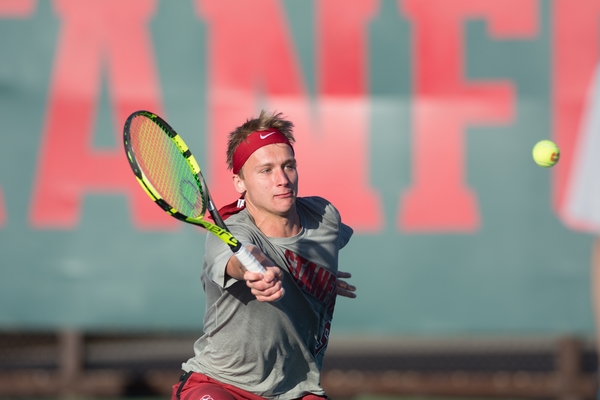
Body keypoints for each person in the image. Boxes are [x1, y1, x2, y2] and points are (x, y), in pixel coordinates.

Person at [172, 110, 356, 400]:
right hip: (219, 384)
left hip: (296, 390)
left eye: (289, 166)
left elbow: (318, 247)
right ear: (240, 183)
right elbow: (238, 261)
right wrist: (253, 271)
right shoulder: (230, 234)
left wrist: (318, 279)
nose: (282, 179)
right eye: (266, 170)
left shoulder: (325, 216)